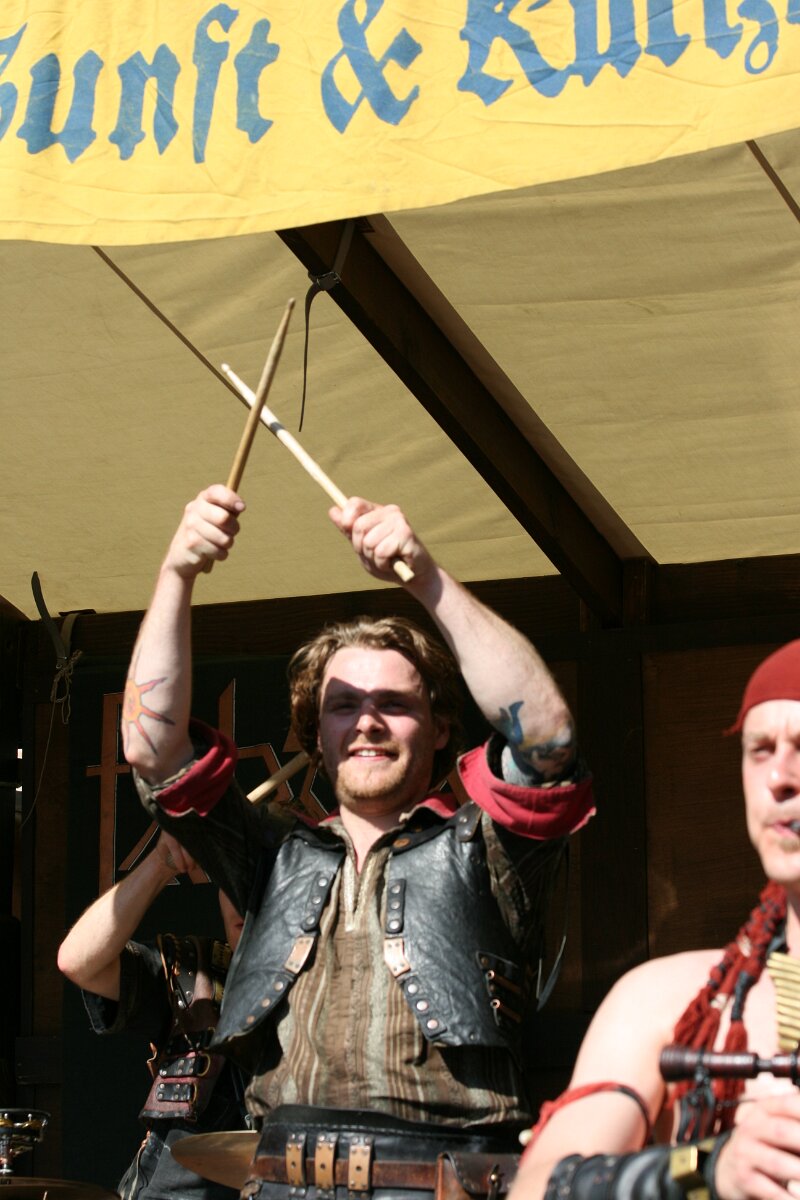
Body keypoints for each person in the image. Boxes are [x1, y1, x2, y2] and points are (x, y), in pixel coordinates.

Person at [121, 485, 595, 1198]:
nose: (367, 721)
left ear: (440, 727)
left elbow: (548, 738)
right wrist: (177, 572)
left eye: (394, 704)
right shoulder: (271, 855)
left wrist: (425, 577)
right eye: (344, 705)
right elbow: (152, 750)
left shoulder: (488, 849)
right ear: (318, 735)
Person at [508, 638, 800, 1200]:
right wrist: (704, 1168)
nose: (779, 777)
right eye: (760, 749)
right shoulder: (665, 1001)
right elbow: (536, 1189)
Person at [58, 829, 249, 1200]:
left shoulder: (339, 991)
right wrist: (161, 862)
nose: (241, 896)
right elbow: (78, 962)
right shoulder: (195, 971)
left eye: (260, 879)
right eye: (230, 877)